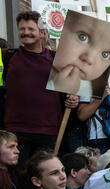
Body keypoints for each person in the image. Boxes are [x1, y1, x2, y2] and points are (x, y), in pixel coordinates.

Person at [1, 11, 78, 173]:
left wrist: (72, 101)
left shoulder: (56, 59)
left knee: (43, 177)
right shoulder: (8, 57)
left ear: (42, 33)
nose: (26, 33)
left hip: (48, 131)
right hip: (15, 131)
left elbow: (66, 94)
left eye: (31, 29)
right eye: (22, 29)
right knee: (18, 178)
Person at [46, 10, 110, 98]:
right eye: (82, 37)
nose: (89, 59)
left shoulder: (85, 86)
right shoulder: (43, 65)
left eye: (105, 54)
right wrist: (57, 87)